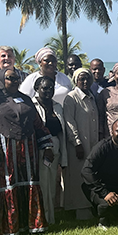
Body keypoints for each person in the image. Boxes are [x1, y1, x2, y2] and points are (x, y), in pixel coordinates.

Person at [0, 68, 54, 235]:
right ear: (0, 80)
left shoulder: (25, 100)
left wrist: (47, 146)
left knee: (29, 184)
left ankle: (31, 225)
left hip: (28, 153)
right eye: (10, 78)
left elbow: (38, 125)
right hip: (3, 155)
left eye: (17, 78)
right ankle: (9, 228)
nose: (15, 81)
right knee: (7, 185)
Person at [63, 68, 102, 220]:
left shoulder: (91, 97)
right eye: (81, 79)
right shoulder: (71, 98)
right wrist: (77, 142)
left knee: (90, 175)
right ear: (75, 81)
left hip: (92, 143)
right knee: (78, 176)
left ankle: (91, 205)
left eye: (88, 79)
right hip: (78, 145)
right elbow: (69, 122)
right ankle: (79, 209)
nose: (85, 82)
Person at [32, 76, 69, 225]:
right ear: (36, 89)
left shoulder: (57, 106)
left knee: (52, 184)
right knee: (42, 184)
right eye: (44, 88)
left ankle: (51, 217)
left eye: (51, 88)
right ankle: (42, 218)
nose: (48, 91)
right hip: (39, 148)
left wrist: (63, 157)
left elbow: (62, 131)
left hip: (55, 147)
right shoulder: (32, 106)